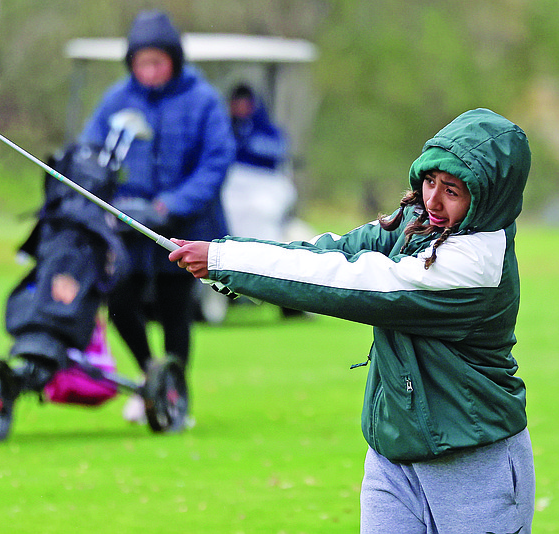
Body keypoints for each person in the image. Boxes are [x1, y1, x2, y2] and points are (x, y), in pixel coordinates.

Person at [169, 108, 535, 532]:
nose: (432, 200)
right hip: (392, 457)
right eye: (430, 181)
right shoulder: (416, 224)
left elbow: (349, 281)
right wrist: (224, 256)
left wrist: (223, 260)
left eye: (451, 190)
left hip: (474, 465)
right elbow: (329, 254)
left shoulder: (475, 267)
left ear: (488, 197)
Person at [79, 10, 236, 427]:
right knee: (121, 299)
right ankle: (152, 378)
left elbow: (216, 163)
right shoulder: (116, 100)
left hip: (186, 228)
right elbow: (90, 152)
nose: (148, 71)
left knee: (174, 310)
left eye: (157, 62)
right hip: (128, 229)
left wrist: (169, 206)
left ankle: (173, 395)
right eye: (140, 63)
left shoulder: (202, 99)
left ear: (174, 60)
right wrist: (116, 202)